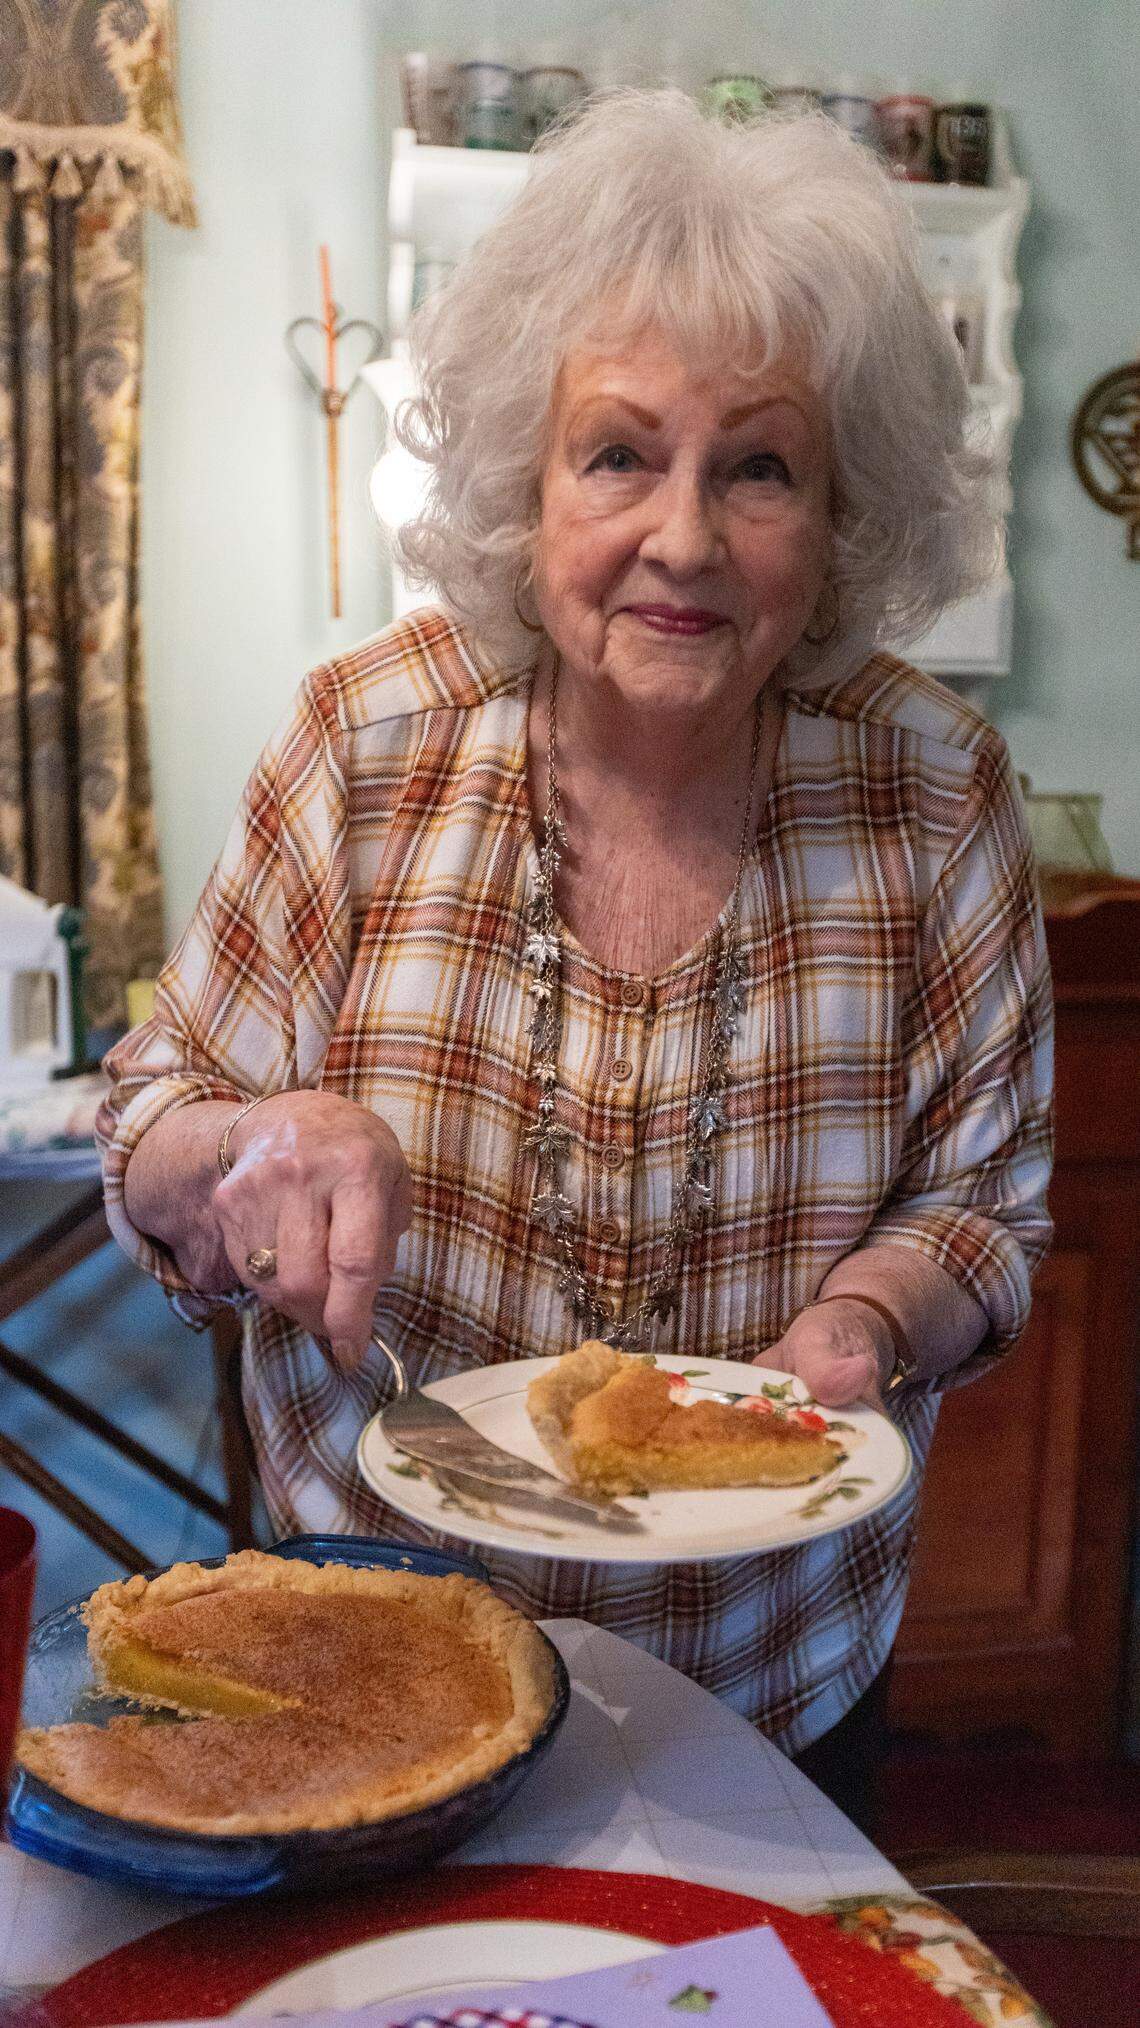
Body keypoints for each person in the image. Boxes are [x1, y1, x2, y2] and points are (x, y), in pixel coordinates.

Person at [97, 93, 1052, 1828]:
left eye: (758, 466)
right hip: (370, 1655)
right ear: (523, 481)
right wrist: (242, 1148)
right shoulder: (361, 745)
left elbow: (987, 1201)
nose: (682, 537)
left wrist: (868, 1319)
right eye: (619, 452)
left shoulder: (932, 790)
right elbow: (153, 1115)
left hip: (773, 1671)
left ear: (840, 516)